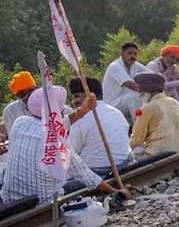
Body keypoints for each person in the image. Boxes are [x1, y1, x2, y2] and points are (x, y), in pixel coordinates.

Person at [1, 87, 130, 204]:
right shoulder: (57, 141)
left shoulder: (20, 123)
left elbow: (52, 127)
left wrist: (80, 112)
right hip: (43, 203)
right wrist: (115, 191)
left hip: (9, 199)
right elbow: (86, 175)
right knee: (74, 183)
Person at [67, 77, 134, 177]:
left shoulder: (81, 119)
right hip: (123, 166)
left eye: (77, 96)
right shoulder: (116, 112)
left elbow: (70, 155)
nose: (73, 101)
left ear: (91, 96)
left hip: (97, 173)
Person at [129, 72, 179, 160]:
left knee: (128, 157)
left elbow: (137, 139)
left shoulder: (147, 108)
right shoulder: (174, 102)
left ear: (144, 92)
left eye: (140, 91)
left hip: (158, 155)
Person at [103, 42, 149, 122]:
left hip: (125, 103)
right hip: (112, 105)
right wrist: (149, 89)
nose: (133, 56)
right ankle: (138, 128)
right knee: (136, 95)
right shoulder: (115, 66)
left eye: (135, 54)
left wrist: (161, 85)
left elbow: (152, 75)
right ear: (122, 54)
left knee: (151, 96)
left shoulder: (135, 65)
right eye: (130, 53)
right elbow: (131, 85)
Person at [3, 71, 38, 136]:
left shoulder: (48, 103)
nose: (28, 96)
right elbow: (14, 137)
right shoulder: (10, 111)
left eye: (31, 91)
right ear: (18, 96)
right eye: (23, 94)